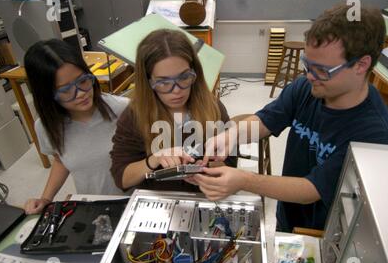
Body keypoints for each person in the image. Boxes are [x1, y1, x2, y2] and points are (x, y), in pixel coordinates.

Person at [194, 4, 388, 232]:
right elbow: (266, 121)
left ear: (361, 64)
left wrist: (244, 180)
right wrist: (232, 135)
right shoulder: (306, 88)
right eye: (307, 65)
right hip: (289, 215)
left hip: (324, 232)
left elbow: (312, 189)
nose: (310, 76)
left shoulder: (376, 132)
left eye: (322, 70)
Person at [110, 29, 235, 192]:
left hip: (205, 197)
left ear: (194, 72)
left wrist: (207, 169)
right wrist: (153, 160)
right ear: (148, 82)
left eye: (184, 78)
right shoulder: (134, 116)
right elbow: (122, 178)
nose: (176, 91)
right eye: (163, 82)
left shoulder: (213, 107)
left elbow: (230, 163)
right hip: (158, 204)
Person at [24, 39, 129, 214]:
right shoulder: (46, 127)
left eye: (83, 81)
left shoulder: (123, 109)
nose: (80, 94)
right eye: (65, 90)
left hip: (135, 202)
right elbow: (61, 160)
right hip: (94, 208)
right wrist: (46, 199)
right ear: (46, 95)